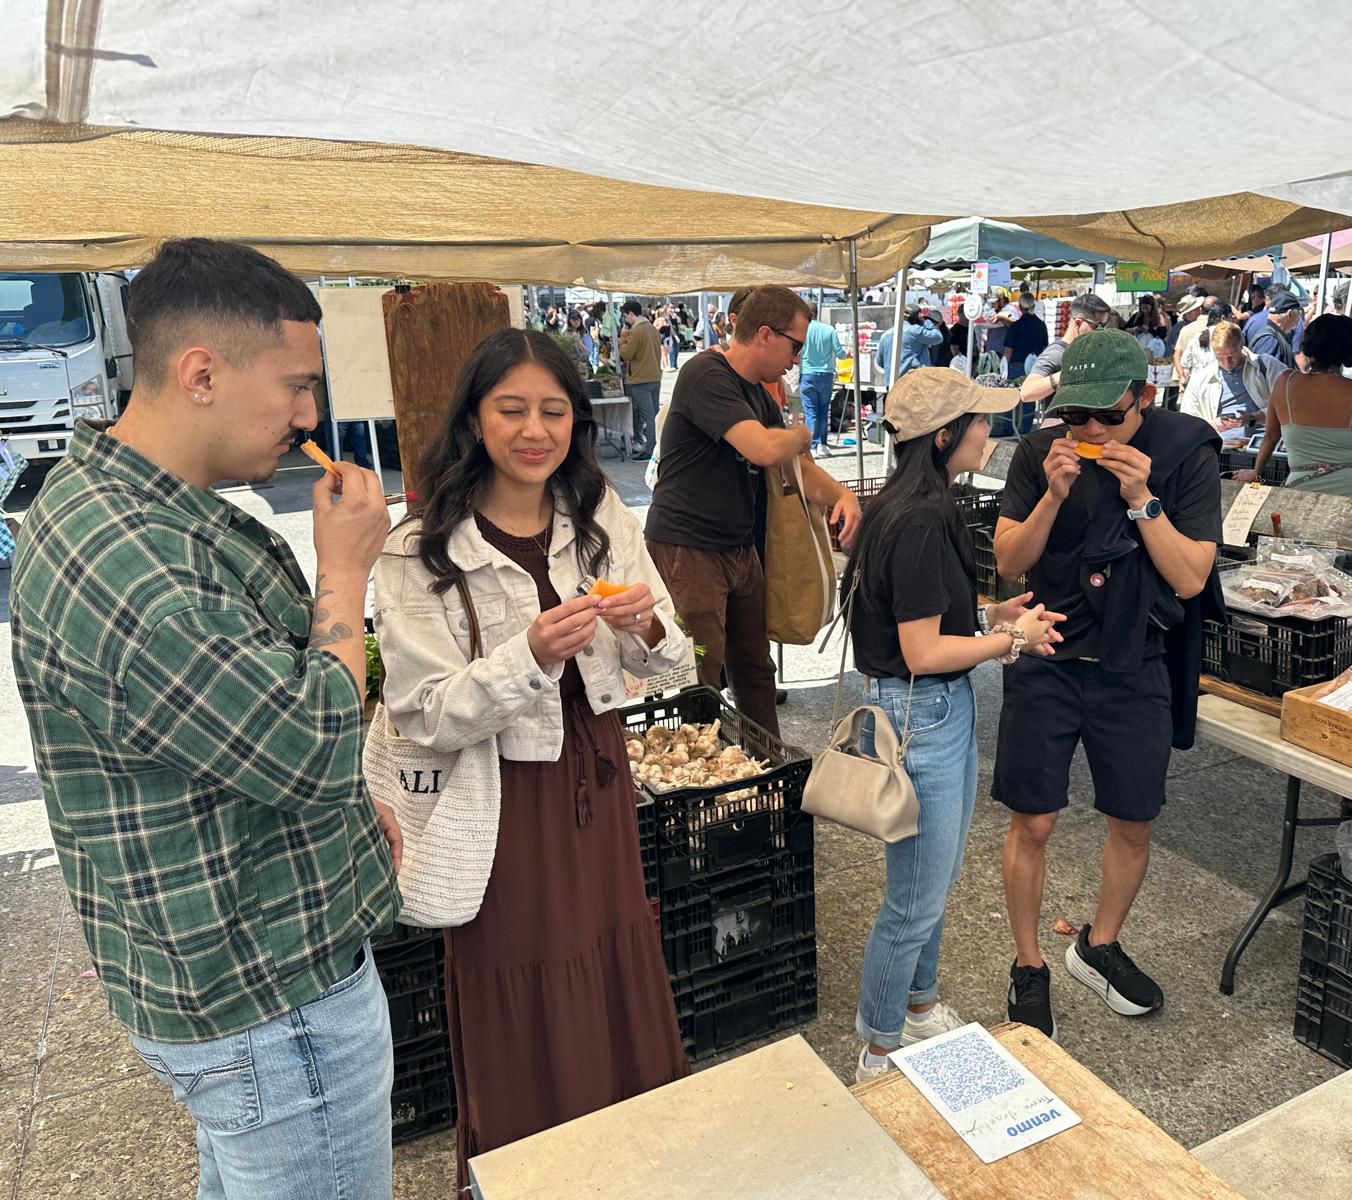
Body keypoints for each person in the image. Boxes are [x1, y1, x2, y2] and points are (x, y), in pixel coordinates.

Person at [11, 238, 401, 1198]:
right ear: (199, 373)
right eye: (296, 386)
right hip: (271, 1002)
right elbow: (309, 739)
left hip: (227, 980)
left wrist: (345, 831)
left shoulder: (134, 507)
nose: (310, 417)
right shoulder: (130, 556)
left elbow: (237, 725)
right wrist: (345, 571)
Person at [373, 327, 689, 1190]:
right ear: (475, 420)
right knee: (521, 984)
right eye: (511, 409)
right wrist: (533, 654)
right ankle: (533, 1174)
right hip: (500, 804)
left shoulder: (599, 519)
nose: (534, 429)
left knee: (615, 965)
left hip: (599, 781)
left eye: (554, 410)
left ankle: (625, 1169)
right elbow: (425, 713)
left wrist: (645, 627)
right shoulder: (418, 550)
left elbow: (678, 659)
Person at [992, 330, 1223, 1029]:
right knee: (1034, 819)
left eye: (1106, 416)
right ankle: (1029, 963)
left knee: (1133, 818)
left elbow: (1190, 577)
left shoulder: (1186, 453)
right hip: (1048, 655)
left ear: (1144, 399)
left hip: (1134, 660)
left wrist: (1143, 498)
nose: (1089, 429)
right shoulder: (1037, 453)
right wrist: (1052, 498)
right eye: (1075, 415)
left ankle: (1100, 944)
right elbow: (1008, 562)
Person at [847, 368, 1062, 1082]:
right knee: (913, 899)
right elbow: (922, 651)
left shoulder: (916, 502)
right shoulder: (920, 517)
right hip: (924, 710)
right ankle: (878, 1051)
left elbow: (928, 625)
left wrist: (990, 619)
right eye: (980, 421)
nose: (991, 433)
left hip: (932, 707)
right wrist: (1013, 640)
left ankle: (918, 1009)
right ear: (944, 436)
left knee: (929, 886)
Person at [644, 286, 862, 735]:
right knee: (699, 674)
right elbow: (765, 449)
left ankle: (768, 768)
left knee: (755, 668)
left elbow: (795, 467)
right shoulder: (705, 372)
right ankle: (702, 785)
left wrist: (843, 494)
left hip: (740, 548)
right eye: (795, 346)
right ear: (765, 334)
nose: (797, 360)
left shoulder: (758, 395)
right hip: (690, 549)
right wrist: (802, 436)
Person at [1242, 315, 1352, 498]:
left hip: (1301, 491)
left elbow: (1270, 436)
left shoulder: (1285, 383)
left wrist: (1256, 472)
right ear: (1351, 349)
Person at [1178, 320, 1287, 433]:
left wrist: (1254, 418)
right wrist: (1211, 426)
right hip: (1220, 445)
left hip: (1262, 442)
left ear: (1241, 345)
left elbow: (1290, 402)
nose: (1227, 362)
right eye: (1220, 356)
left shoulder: (1266, 365)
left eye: (1232, 355)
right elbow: (1187, 419)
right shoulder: (1201, 377)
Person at [619, 299, 663, 461]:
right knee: (654, 415)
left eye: (626, 316)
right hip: (655, 376)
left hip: (640, 379)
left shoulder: (636, 331)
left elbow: (626, 354)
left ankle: (651, 449)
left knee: (648, 416)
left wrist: (623, 337)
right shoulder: (652, 329)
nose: (626, 319)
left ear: (631, 314)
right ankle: (656, 446)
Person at [800, 307, 844, 453]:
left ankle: (812, 446)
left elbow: (797, 351)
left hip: (808, 373)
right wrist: (847, 355)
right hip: (826, 374)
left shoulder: (802, 330)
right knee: (823, 411)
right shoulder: (829, 329)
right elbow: (839, 352)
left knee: (811, 412)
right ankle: (822, 444)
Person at [877, 305, 945, 382]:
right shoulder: (915, 330)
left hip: (891, 384)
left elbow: (880, 362)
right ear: (916, 318)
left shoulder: (885, 335)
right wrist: (927, 322)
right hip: (911, 383)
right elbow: (938, 337)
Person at [1249, 295, 1302, 367]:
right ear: (1290, 314)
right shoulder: (1271, 340)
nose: (1299, 317)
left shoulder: (1274, 335)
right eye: (1299, 312)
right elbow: (1267, 375)